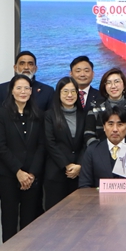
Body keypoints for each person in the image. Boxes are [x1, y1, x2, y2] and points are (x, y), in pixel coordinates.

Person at [0, 75, 46, 242]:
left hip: (31, 176)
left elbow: (42, 146)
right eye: (19, 88)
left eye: (27, 88)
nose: (23, 91)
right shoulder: (1, 114)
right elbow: (0, 146)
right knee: (9, 218)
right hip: (8, 175)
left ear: (31, 92)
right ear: (12, 91)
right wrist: (18, 171)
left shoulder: (38, 115)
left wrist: (31, 173)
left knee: (29, 220)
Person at [78, 105, 126, 188]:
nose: (115, 129)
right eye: (110, 124)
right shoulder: (92, 151)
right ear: (104, 127)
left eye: (120, 124)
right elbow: (84, 185)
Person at [44, 77, 86, 210]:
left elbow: (87, 142)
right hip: (56, 172)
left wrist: (79, 165)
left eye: (73, 91)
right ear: (58, 93)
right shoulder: (49, 115)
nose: (69, 95)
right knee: (55, 214)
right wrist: (67, 165)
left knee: (78, 214)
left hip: (79, 173)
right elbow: (50, 143)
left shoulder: (84, 115)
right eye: (65, 91)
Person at [84, 68, 126, 147]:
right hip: (100, 153)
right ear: (104, 86)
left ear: (124, 85)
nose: (113, 86)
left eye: (117, 81)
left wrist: (124, 151)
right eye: (108, 83)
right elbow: (88, 135)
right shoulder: (95, 107)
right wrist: (101, 151)